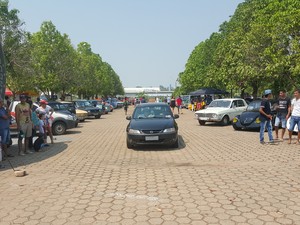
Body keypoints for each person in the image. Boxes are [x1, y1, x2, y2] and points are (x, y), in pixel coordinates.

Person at [0, 97, 12, 163]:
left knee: (7, 141)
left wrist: (7, 107)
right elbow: (6, 117)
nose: (2, 103)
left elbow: (9, 115)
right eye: (1, 102)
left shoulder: (3, 109)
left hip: (6, 126)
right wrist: (8, 113)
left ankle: (6, 154)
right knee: (2, 141)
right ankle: (2, 155)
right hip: (2, 128)